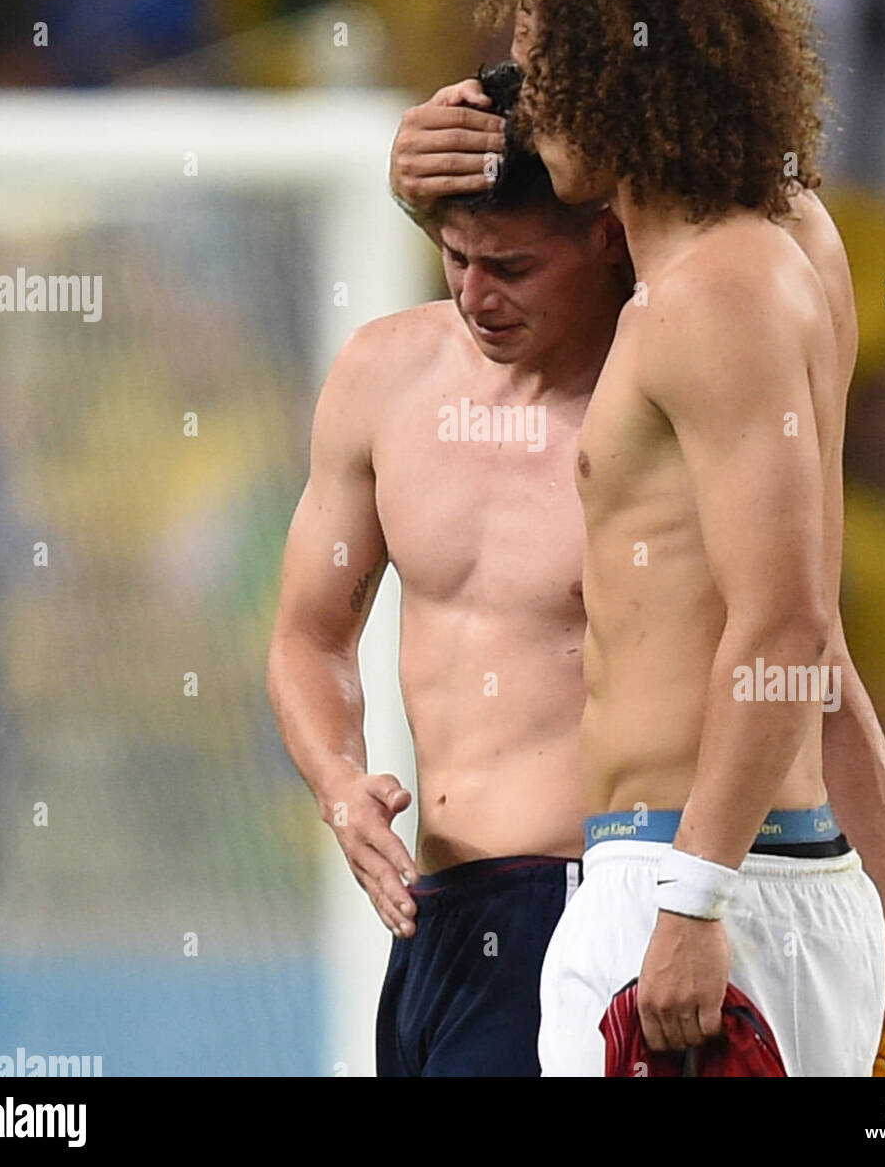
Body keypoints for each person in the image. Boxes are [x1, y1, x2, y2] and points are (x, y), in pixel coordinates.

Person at [476, 0, 885, 1075]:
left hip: (687, 887)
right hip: (778, 876)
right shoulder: (790, 242)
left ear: (622, 76)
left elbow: (784, 623)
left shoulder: (709, 297)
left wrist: (689, 903)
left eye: (540, 74)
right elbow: (818, 646)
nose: (522, 111)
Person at [266, 61, 630, 1076]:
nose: (473, 294)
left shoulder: (666, 391)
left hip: (594, 904)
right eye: (451, 256)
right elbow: (308, 632)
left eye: (509, 266)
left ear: (607, 237)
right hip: (431, 919)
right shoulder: (383, 372)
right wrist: (339, 782)